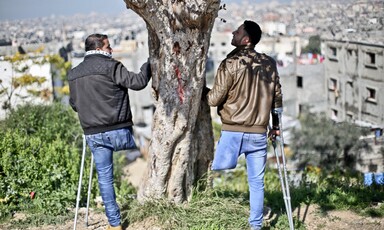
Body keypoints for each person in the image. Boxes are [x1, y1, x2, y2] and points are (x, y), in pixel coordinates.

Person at [68, 33, 151, 230]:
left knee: (105, 178)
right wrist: (149, 64)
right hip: (119, 131)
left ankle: (114, 225)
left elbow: (73, 104)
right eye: (108, 47)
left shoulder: (73, 73)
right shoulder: (112, 66)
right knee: (150, 152)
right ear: (99, 47)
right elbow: (138, 82)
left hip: (92, 133)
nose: (111, 50)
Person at [205, 20, 283, 230]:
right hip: (259, 134)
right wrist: (275, 126)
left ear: (246, 39)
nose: (233, 32)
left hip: (233, 132)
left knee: (210, 170)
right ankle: (255, 226)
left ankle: (206, 210)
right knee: (256, 183)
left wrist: (202, 90)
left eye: (237, 31)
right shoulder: (269, 63)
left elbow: (213, 100)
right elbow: (277, 98)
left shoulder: (230, 64)